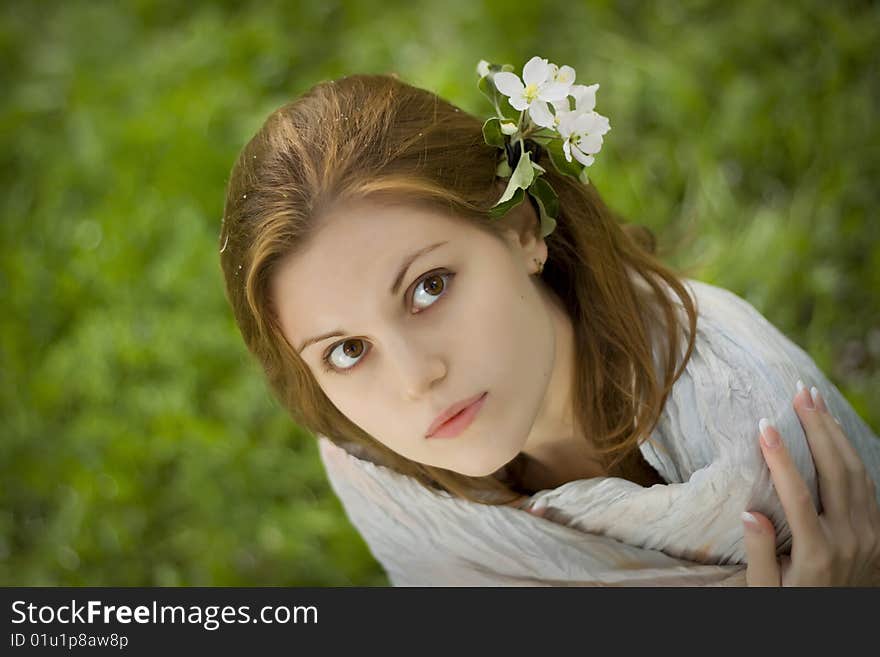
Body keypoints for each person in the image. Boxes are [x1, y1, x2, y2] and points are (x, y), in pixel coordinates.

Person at [218, 62, 880, 586]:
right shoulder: (386, 485)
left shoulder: (755, 433)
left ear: (521, 231)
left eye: (430, 286)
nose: (418, 379)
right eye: (348, 349)